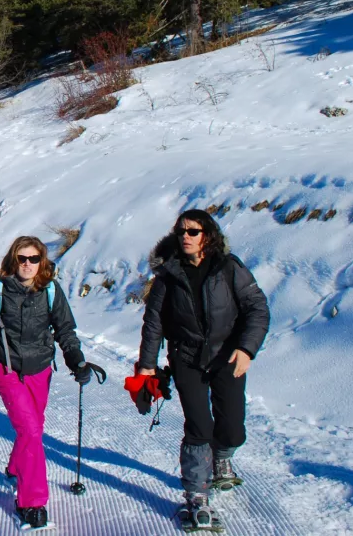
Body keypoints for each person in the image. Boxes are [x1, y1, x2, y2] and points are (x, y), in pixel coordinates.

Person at [137, 209, 270, 530]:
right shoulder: (167, 276)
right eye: (182, 231)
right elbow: (153, 324)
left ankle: (222, 458)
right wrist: (146, 367)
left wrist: (246, 348)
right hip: (187, 358)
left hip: (228, 356)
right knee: (199, 426)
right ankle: (197, 494)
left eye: (193, 231)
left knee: (233, 426)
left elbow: (257, 308)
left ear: (207, 236)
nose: (186, 236)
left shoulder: (229, 268)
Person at [0, 236, 95, 530]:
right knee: (30, 430)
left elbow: (65, 329)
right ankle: (32, 503)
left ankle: (16, 467)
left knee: (33, 427)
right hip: (8, 368)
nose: (27, 264)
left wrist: (76, 358)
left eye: (33, 259)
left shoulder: (50, 290)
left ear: (42, 261)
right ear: (13, 260)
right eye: (22, 258)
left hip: (40, 368)